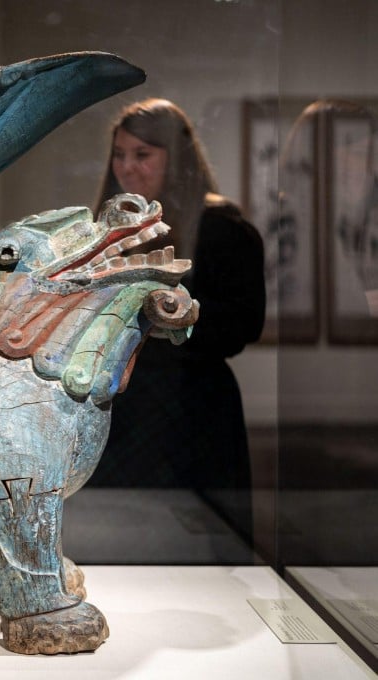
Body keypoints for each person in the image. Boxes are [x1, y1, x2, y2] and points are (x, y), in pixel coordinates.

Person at [85, 99, 266, 542]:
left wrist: (170, 316)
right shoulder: (108, 231)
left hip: (191, 405)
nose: (127, 167)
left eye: (142, 155)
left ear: (175, 157)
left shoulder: (221, 226)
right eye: (120, 154)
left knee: (198, 548)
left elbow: (244, 324)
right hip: (121, 404)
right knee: (117, 542)